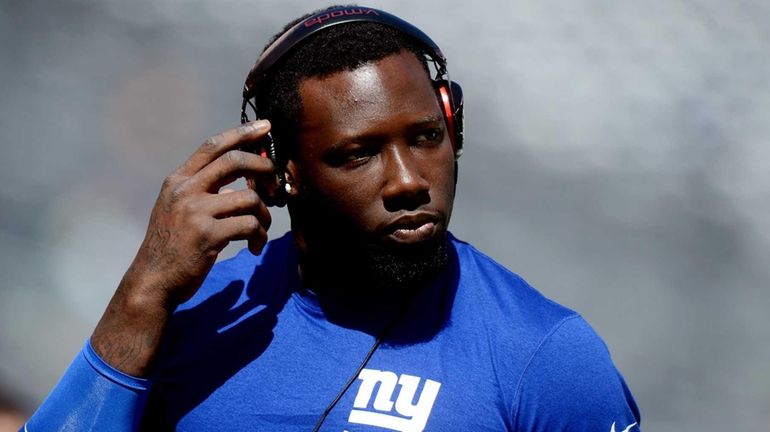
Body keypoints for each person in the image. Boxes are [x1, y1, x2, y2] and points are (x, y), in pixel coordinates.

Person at [24, 5, 641, 431]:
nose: (407, 180)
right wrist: (142, 294)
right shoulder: (190, 317)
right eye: (358, 153)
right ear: (280, 169)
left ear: (452, 124)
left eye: (426, 136)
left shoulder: (545, 354)